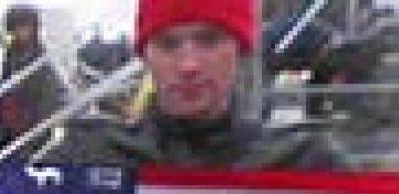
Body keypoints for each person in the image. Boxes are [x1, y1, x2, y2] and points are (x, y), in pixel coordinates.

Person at [44, 0, 346, 169]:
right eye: (168, 44)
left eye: (209, 41)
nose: (189, 65)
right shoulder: (84, 159)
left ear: (240, 49)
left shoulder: (304, 163)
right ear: (145, 55)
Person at [0, 5, 65, 153]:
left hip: (33, 131)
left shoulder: (41, 61)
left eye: (25, 26)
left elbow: (50, 99)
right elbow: (3, 88)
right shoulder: (10, 57)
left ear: (34, 29)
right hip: (10, 128)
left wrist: (36, 133)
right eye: (16, 27)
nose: (20, 32)